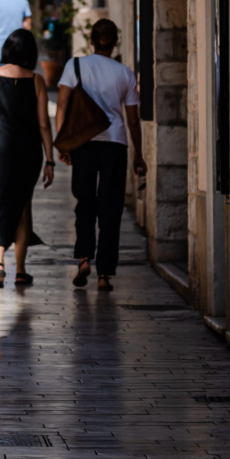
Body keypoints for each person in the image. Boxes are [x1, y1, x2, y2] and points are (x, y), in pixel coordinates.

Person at [55, 19, 146, 292]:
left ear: (91, 41)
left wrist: (63, 144)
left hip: (83, 143)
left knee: (84, 202)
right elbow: (133, 121)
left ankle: (84, 258)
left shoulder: (75, 66)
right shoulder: (125, 74)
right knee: (111, 208)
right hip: (115, 144)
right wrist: (139, 155)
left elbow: (61, 106)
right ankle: (104, 274)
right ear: (115, 42)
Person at [0, 29, 55, 288]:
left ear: (7, 49)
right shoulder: (37, 80)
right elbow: (44, 123)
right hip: (28, 152)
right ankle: (20, 270)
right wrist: (50, 160)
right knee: (22, 207)